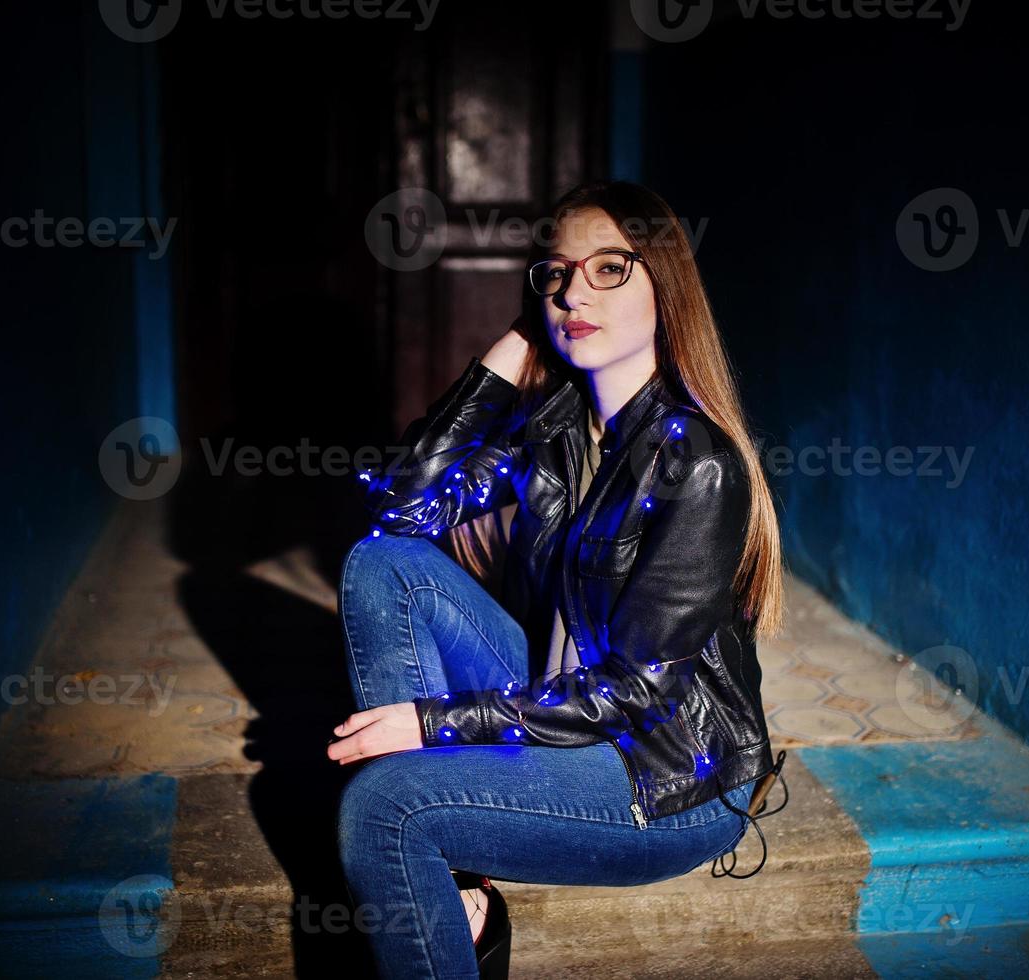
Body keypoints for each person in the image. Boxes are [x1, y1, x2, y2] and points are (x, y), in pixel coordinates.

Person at [328, 180, 784, 979]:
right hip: (556, 707)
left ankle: (435, 841)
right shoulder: (557, 427)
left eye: (609, 268)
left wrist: (436, 724)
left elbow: (636, 693)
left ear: (665, 285)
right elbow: (401, 510)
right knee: (381, 564)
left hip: (662, 777)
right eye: (556, 274)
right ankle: (463, 886)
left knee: (383, 806)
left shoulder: (697, 463)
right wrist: (510, 347)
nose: (574, 290)